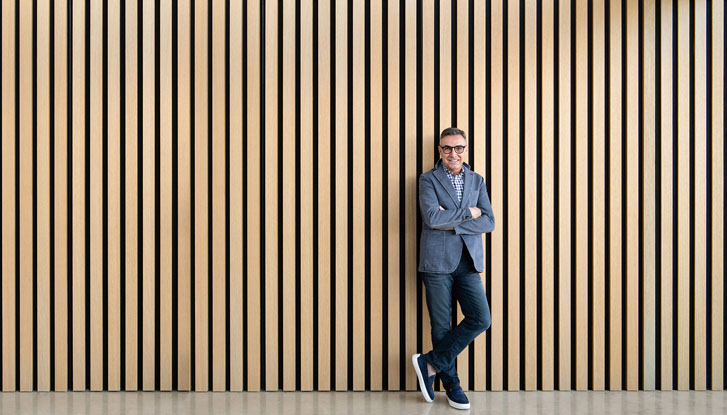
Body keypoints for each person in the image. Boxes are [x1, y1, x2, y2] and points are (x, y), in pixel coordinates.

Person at [412, 127, 495, 410]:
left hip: (468, 262)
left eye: (458, 148)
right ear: (439, 150)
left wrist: (454, 220)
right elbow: (433, 218)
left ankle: (430, 362)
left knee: (481, 318)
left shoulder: (476, 180)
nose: (453, 153)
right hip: (436, 263)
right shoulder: (428, 179)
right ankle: (452, 386)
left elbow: (489, 222)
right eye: (447, 148)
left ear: (465, 149)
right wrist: (469, 214)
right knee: (441, 327)